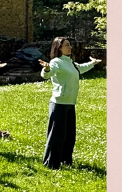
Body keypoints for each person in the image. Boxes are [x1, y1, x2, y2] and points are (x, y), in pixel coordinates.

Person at [38, 37, 94, 168]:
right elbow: (48, 74)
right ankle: (51, 164)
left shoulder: (70, 62)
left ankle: (65, 161)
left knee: (69, 136)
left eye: (70, 45)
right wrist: (46, 69)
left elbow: (80, 68)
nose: (70, 47)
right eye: (67, 45)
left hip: (70, 103)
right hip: (59, 104)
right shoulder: (56, 62)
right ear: (59, 48)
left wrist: (93, 63)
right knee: (56, 136)